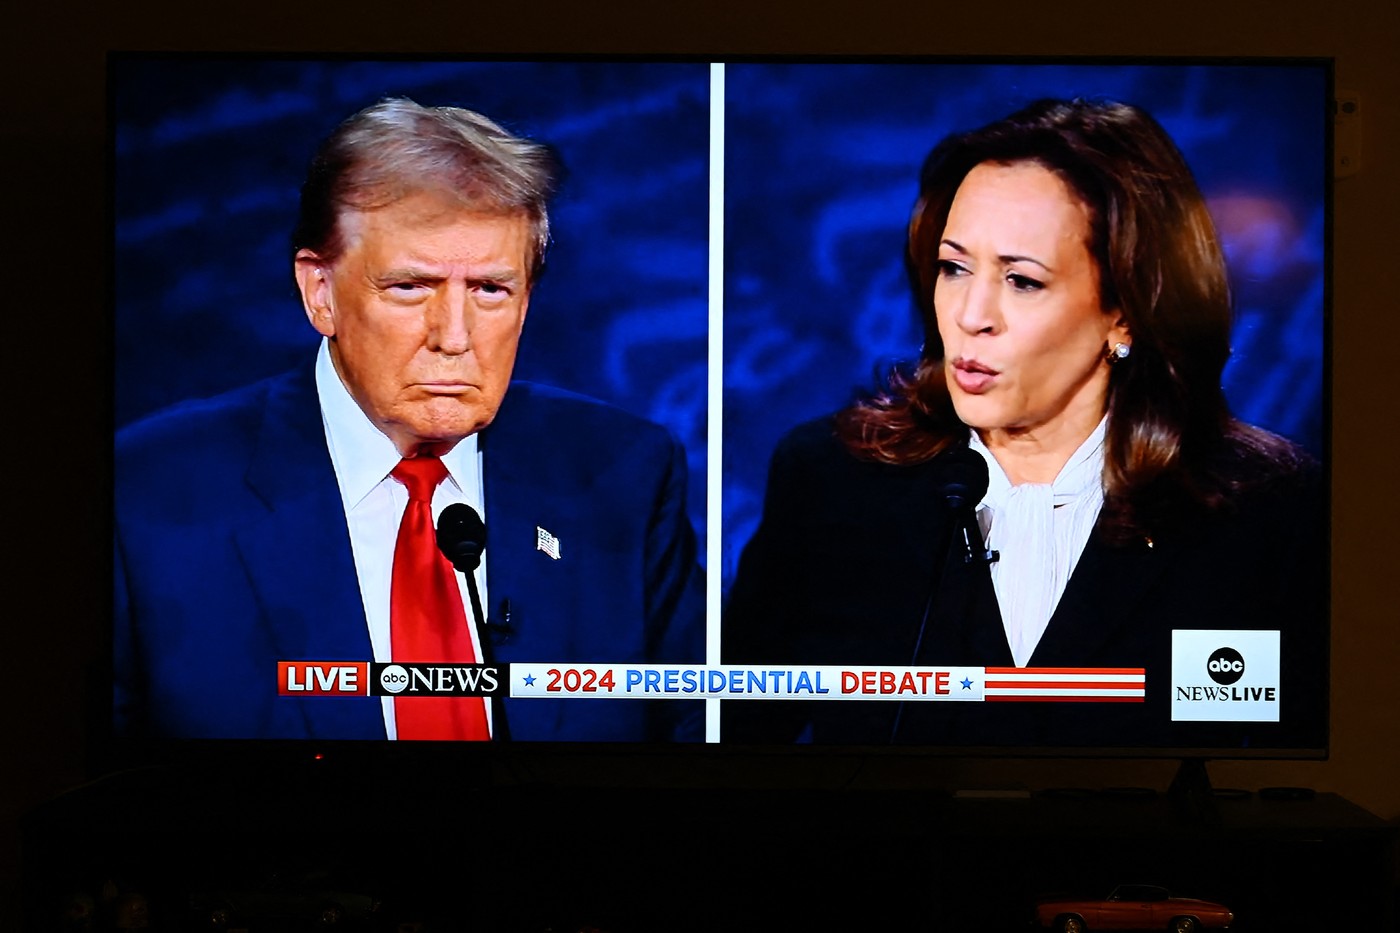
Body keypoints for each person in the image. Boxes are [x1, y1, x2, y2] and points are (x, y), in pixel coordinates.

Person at [722, 99, 1325, 747]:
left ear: (1124, 310)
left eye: (1022, 281)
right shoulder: (831, 481)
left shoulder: (1263, 509)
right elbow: (738, 752)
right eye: (954, 268)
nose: (972, 314)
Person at [114, 98, 705, 742]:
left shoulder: (623, 475)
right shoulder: (148, 494)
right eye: (410, 287)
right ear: (321, 291)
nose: (454, 336)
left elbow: (693, 747)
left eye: (490, 290)